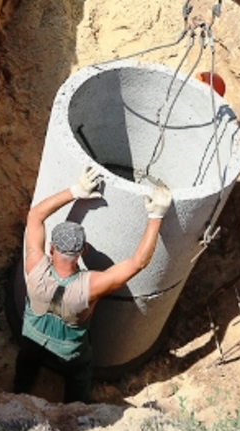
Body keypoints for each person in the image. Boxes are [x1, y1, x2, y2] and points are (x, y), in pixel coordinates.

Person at [13, 165, 172, 403]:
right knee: (79, 376)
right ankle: (76, 408)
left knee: (25, 365)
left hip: (32, 338)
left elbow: (35, 215)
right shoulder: (91, 286)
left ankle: (17, 395)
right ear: (83, 251)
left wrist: (74, 191)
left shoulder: (34, 265)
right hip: (70, 353)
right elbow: (138, 262)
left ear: (52, 248)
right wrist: (156, 216)